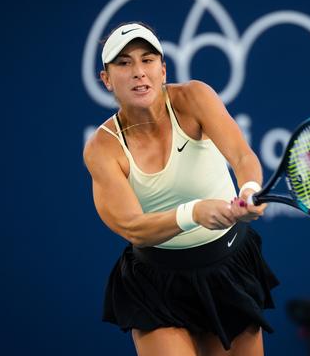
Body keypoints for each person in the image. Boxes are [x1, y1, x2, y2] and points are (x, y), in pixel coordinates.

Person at [83, 21, 279, 356]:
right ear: (106, 80)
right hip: (156, 284)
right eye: (124, 63)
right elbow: (134, 227)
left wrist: (248, 188)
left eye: (147, 60)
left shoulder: (194, 98)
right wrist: (194, 213)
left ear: (162, 70)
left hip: (228, 267)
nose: (138, 72)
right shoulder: (103, 148)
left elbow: (242, 155)